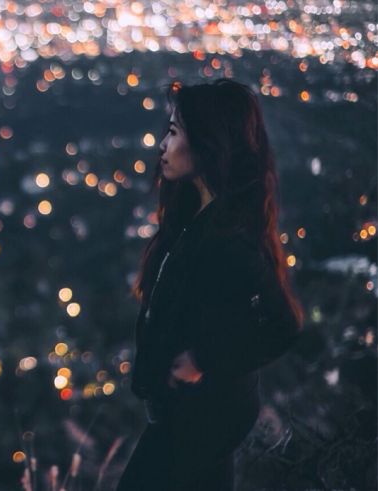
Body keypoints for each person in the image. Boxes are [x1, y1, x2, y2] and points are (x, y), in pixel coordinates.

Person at [115, 78, 305, 491]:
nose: (162, 146)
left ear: (207, 141)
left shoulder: (229, 236)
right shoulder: (193, 217)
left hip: (203, 419)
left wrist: (204, 359)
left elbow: (283, 325)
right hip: (193, 416)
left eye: (173, 132)